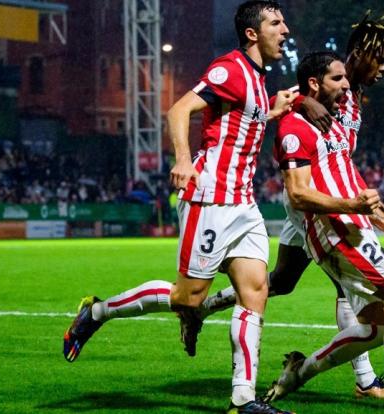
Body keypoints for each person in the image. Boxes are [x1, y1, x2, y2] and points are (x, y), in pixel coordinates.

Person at [63, 2, 295, 413]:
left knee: (256, 290)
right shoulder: (230, 68)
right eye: (276, 23)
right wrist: (184, 158)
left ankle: (244, 399)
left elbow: (239, 124)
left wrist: (272, 112)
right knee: (189, 299)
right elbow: (179, 109)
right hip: (210, 199)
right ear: (251, 34)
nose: (285, 29)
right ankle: (96, 312)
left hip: (243, 201)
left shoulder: (259, 80)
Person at [196, 12, 384, 399]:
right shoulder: (323, 87)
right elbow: (285, 104)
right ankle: (366, 381)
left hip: (324, 198)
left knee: (282, 281)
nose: (383, 68)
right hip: (312, 203)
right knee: (348, 286)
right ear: (360, 54)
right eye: (380, 59)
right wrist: (304, 102)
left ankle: (208, 305)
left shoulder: (353, 98)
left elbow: (340, 155)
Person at [263, 51, 384, 412]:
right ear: (315, 83)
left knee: (375, 327)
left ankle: (299, 372)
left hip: (355, 227)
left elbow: (349, 179)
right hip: (334, 233)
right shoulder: (294, 126)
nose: (347, 84)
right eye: (338, 78)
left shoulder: (340, 117)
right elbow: (298, 194)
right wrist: (353, 209)